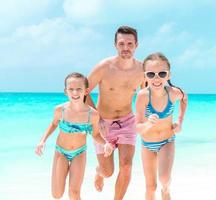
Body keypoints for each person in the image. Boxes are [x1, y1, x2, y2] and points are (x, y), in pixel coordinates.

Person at [86, 26, 144, 200]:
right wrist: (96, 119)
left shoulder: (142, 69)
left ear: (136, 45)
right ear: (115, 45)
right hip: (103, 124)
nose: (125, 47)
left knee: (126, 166)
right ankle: (99, 172)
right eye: (121, 44)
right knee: (108, 171)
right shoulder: (104, 67)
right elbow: (83, 92)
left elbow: (145, 95)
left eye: (129, 43)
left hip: (128, 122)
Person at [35, 72, 113, 200]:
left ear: (86, 91)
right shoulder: (60, 110)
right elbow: (54, 124)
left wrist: (105, 144)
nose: (75, 93)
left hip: (79, 153)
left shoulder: (92, 115)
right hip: (61, 152)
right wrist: (42, 141)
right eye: (71, 89)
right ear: (66, 91)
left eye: (79, 89)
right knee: (57, 194)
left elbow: (96, 134)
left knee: (74, 192)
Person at [135, 52, 188, 200]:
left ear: (168, 75)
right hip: (147, 145)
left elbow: (185, 98)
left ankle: (166, 190)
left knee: (164, 180)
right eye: (151, 74)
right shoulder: (143, 96)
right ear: (145, 76)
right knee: (150, 187)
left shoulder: (174, 93)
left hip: (167, 141)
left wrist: (180, 121)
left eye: (162, 73)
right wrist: (147, 124)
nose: (157, 78)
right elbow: (137, 127)